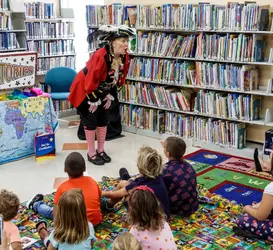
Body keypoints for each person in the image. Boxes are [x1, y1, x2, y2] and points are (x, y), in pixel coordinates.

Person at [68, 25, 135, 165]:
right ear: (112, 42)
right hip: (85, 88)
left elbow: (119, 76)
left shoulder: (124, 56)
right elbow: (91, 79)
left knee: (104, 118)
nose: (126, 45)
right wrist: (92, 99)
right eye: (122, 41)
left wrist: (110, 94)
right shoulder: (100, 55)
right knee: (90, 119)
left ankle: (101, 150)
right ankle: (91, 152)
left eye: (127, 41)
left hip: (103, 89)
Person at [27, 152, 102, 225]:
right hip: (95, 222)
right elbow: (99, 197)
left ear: (65, 169)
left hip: (72, 226)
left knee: (51, 212)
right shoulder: (92, 181)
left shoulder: (62, 188)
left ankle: (35, 204)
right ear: (85, 169)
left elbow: (56, 214)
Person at [101, 146, 170, 218]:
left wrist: (101, 193)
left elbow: (114, 194)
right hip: (163, 216)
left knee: (123, 185)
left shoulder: (138, 184)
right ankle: (127, 178)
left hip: (146, 219)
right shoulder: (160, 176)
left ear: (140, 167)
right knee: (127, 184)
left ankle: (108, 205)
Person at [161, 137, 199, 216]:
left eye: (164, 147)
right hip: (192, 205)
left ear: (168, 154)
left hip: (175, 210)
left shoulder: (164, 170)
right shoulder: (189, 166)